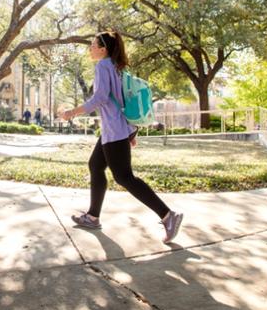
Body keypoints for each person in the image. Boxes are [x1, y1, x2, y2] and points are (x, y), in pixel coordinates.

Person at [60, 31, 183, 243]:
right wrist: (130, 132)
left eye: (93, 45)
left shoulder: (103, 66)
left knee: (124, 177)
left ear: (103, 49)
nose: (90, 48)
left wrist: (72, 112)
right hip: (116, 129)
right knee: (95, 166)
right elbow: (120, 100)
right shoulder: (117, 68)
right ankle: (92, 216)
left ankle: (167, 215)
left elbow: (99, 98)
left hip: (115, 131)